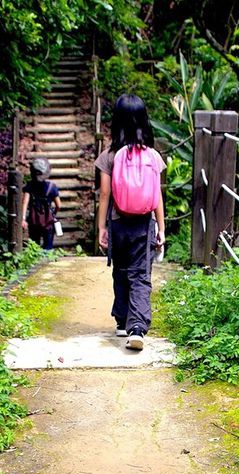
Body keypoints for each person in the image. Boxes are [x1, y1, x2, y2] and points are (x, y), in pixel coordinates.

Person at [95, 94, 166, 351]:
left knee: (121, 271)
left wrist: (102, 228)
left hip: (118, 222)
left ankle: (122, 320)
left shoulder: (109, 155)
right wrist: (161, 227)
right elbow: (156, 193)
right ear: (144, 121)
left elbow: (104, 194)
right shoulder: (153, 156)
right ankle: (137, 327)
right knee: (140, 274)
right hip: (143, 224)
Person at [21, 158, 60, 250]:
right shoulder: (52, 187)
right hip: (48, 221)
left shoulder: (29, 186)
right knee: (48, 246)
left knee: (34, 245)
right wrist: (53, 213)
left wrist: (23, 219)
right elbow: (59, 205)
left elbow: (24, 202)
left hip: (33, 220)